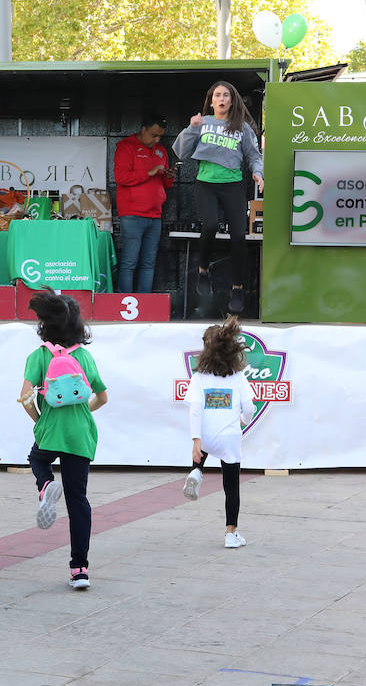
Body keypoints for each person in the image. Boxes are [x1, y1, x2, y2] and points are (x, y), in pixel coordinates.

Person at [17, 293, 108, 589]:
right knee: (78, 501)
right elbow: (102, 397)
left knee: (37, 458)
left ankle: (45, 485)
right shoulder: (84, 356)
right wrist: (84, 411)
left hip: (51, 432)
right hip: (80, 434)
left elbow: (25, 399)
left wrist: (40, 421)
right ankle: (79, 569)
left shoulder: (39, 356)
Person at [173, 81, 264, 315]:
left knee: (238, 237)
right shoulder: (202, 123)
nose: (222, 98)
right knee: (210, 225)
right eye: (217, 95)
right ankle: (203, 269)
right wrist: (192, 128)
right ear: (211, 100)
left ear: (232, 100)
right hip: (206, 184)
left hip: (233, 185)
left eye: (226, 95)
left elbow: (254, 155)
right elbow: (181, 151)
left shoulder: (241, 127)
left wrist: (258, 173)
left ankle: (237, 287)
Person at [182, 318, 255, 548]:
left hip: (206, 436)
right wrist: (243, 420)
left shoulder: (198, 378)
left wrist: (196, 440)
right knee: (231, 486)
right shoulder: (238, 377)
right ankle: (231, 534)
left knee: (201, 451)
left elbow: (194, 409)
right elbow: (249, 408)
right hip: (229, 437)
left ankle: (196, 471)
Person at [112, 114, 174, 293]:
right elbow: (121, 177)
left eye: (160, 136)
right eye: (154, 135)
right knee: (129, 262)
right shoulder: (126, 147)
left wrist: (169, 176)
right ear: (143, 129)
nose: (157, 139)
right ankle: (125, 303)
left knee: (148, 263)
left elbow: (165, 184)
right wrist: (149, 172)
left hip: (155, 215)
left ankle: (144, 304)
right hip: (132, 214)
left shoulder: (161, 150)